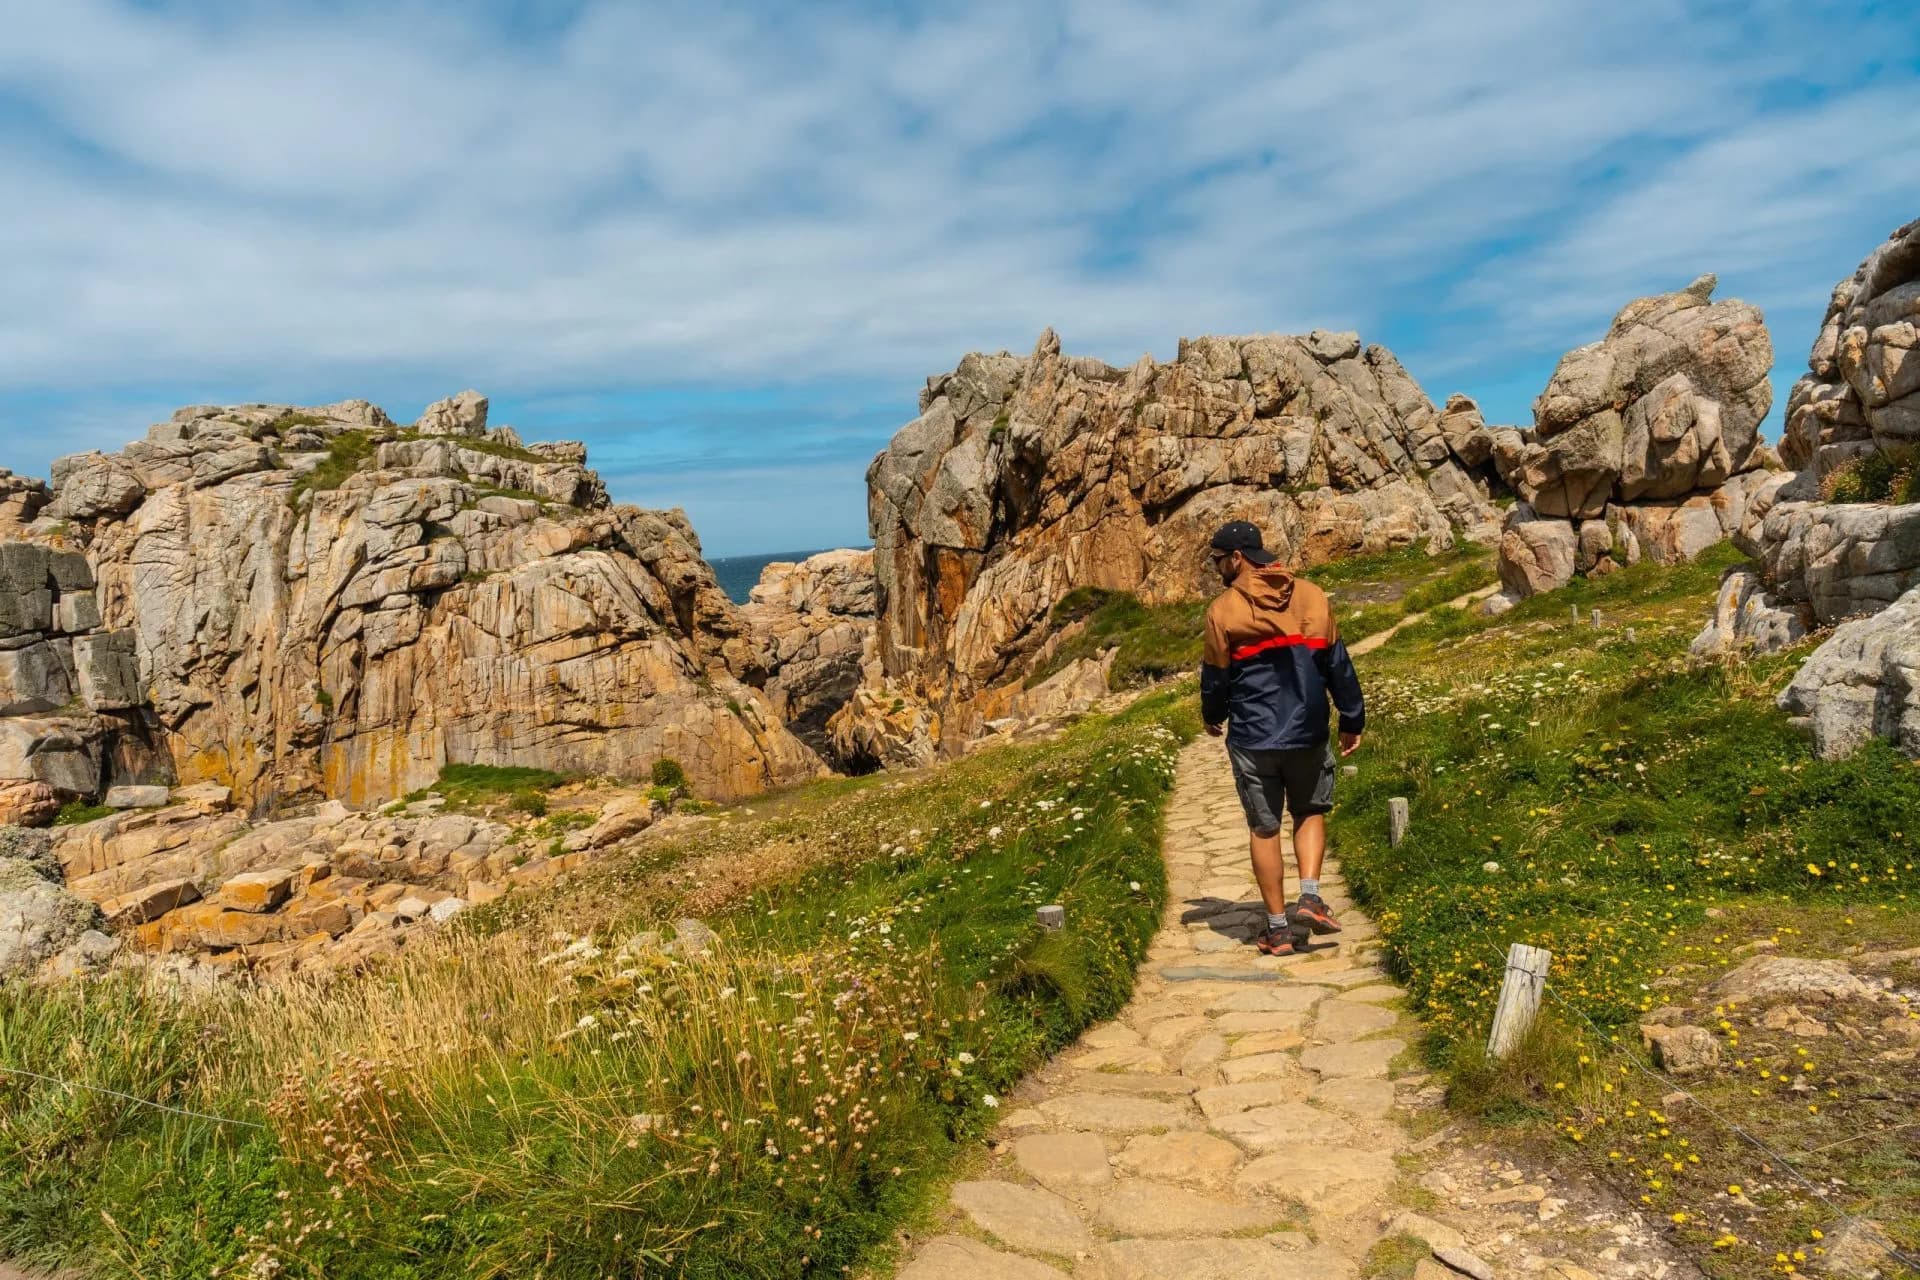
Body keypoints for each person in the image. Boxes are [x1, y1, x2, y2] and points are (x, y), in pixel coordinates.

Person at [1199, 520, 1365, 957]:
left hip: (1253, 736)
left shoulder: (1223, 609)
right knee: (1309, 810)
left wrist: (1213, 716)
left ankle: (1277, 929)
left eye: (1218, 560)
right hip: (1308, 729)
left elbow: (1216, 678)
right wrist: (1352, 718)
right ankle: (1310, 896)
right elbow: (1338, 665)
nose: (1216, 567)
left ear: (1237, 558)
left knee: (1264, 826)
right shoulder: (1311, 595)